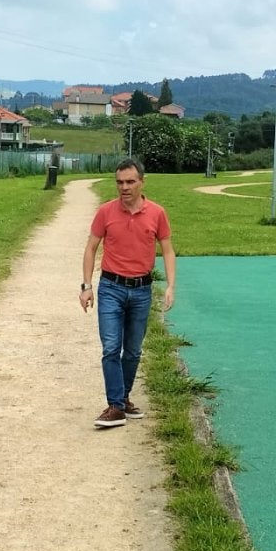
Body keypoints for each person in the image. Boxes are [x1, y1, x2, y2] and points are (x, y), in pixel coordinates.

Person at [79, 159, 176, 428]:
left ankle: (123, 399)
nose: (124, 187)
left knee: (132, 351)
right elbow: (91, 248)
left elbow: (167, 250)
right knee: (111, 347)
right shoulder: (106, 212)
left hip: (142, 290)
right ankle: (116, 406)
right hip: (111, 288)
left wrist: (170, 285)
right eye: (120, 182)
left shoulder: (157, 213)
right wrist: (86, 287)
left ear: (142, 182)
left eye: (130, 181)